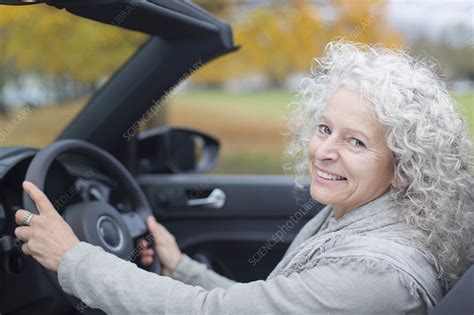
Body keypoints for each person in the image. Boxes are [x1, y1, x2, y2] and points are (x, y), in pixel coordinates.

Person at [14, 40, 473, 314]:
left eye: (356, 142)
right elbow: (270, 304)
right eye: (325, 129)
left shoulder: (375, 272)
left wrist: (73, 258)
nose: (324, 152)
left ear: (403, 166)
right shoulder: (358, 212)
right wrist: (181, 266)